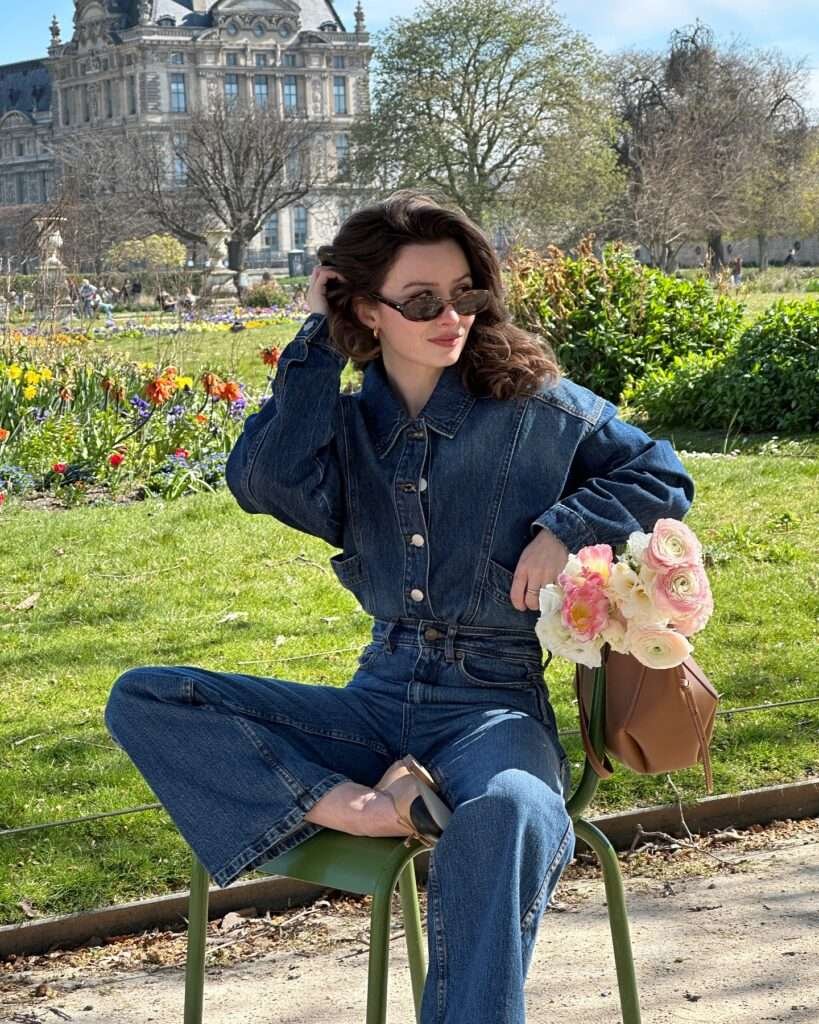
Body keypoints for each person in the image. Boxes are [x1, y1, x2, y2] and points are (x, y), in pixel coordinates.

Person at [104, 192, 694, 1023]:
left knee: (514, 810)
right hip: (376, 700)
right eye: (420, 301)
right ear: (365, 309)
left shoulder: (537, 410)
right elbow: (262, 480)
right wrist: (316, 338)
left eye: (464, 294)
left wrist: (563, 527)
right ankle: (364, 808)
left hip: (494, 706)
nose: (450, 317)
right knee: (147, 697)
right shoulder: (342, 429)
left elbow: (661, 475)